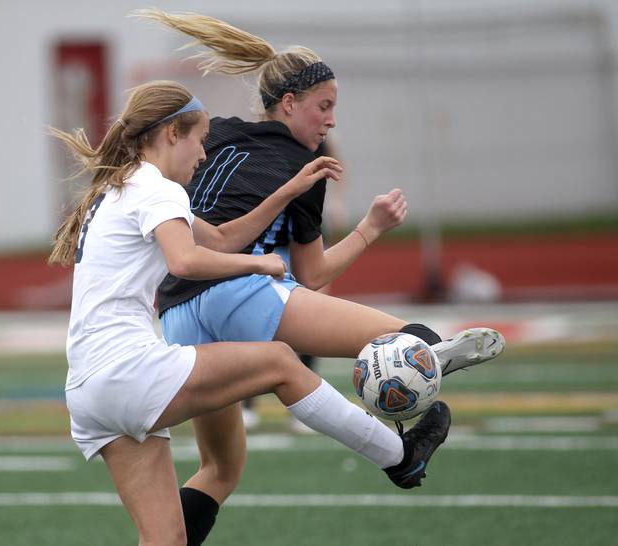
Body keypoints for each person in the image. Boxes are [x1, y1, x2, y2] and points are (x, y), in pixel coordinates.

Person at [134, 9, 506, 544]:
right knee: (410, 336)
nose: (330, 121)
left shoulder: (216, 134)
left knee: (221, 470)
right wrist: (371, 228)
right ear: (289, 103)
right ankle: (423, 368)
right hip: (239, 290)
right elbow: (312, 273)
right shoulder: (304, 164)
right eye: (324, 107)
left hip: (177, 314)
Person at [52, 79, 452, 546]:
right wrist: (258, 263)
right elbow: (185, 261)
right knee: (281, 362)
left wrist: (286, 192)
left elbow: (219, 238)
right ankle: (398, 455)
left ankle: (399, 455)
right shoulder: (158, 188)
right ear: (171, 134)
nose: (203, 155)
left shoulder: (120, 187)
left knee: (166, 540)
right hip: (126, 371)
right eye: (199, 141)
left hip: (88, 390)